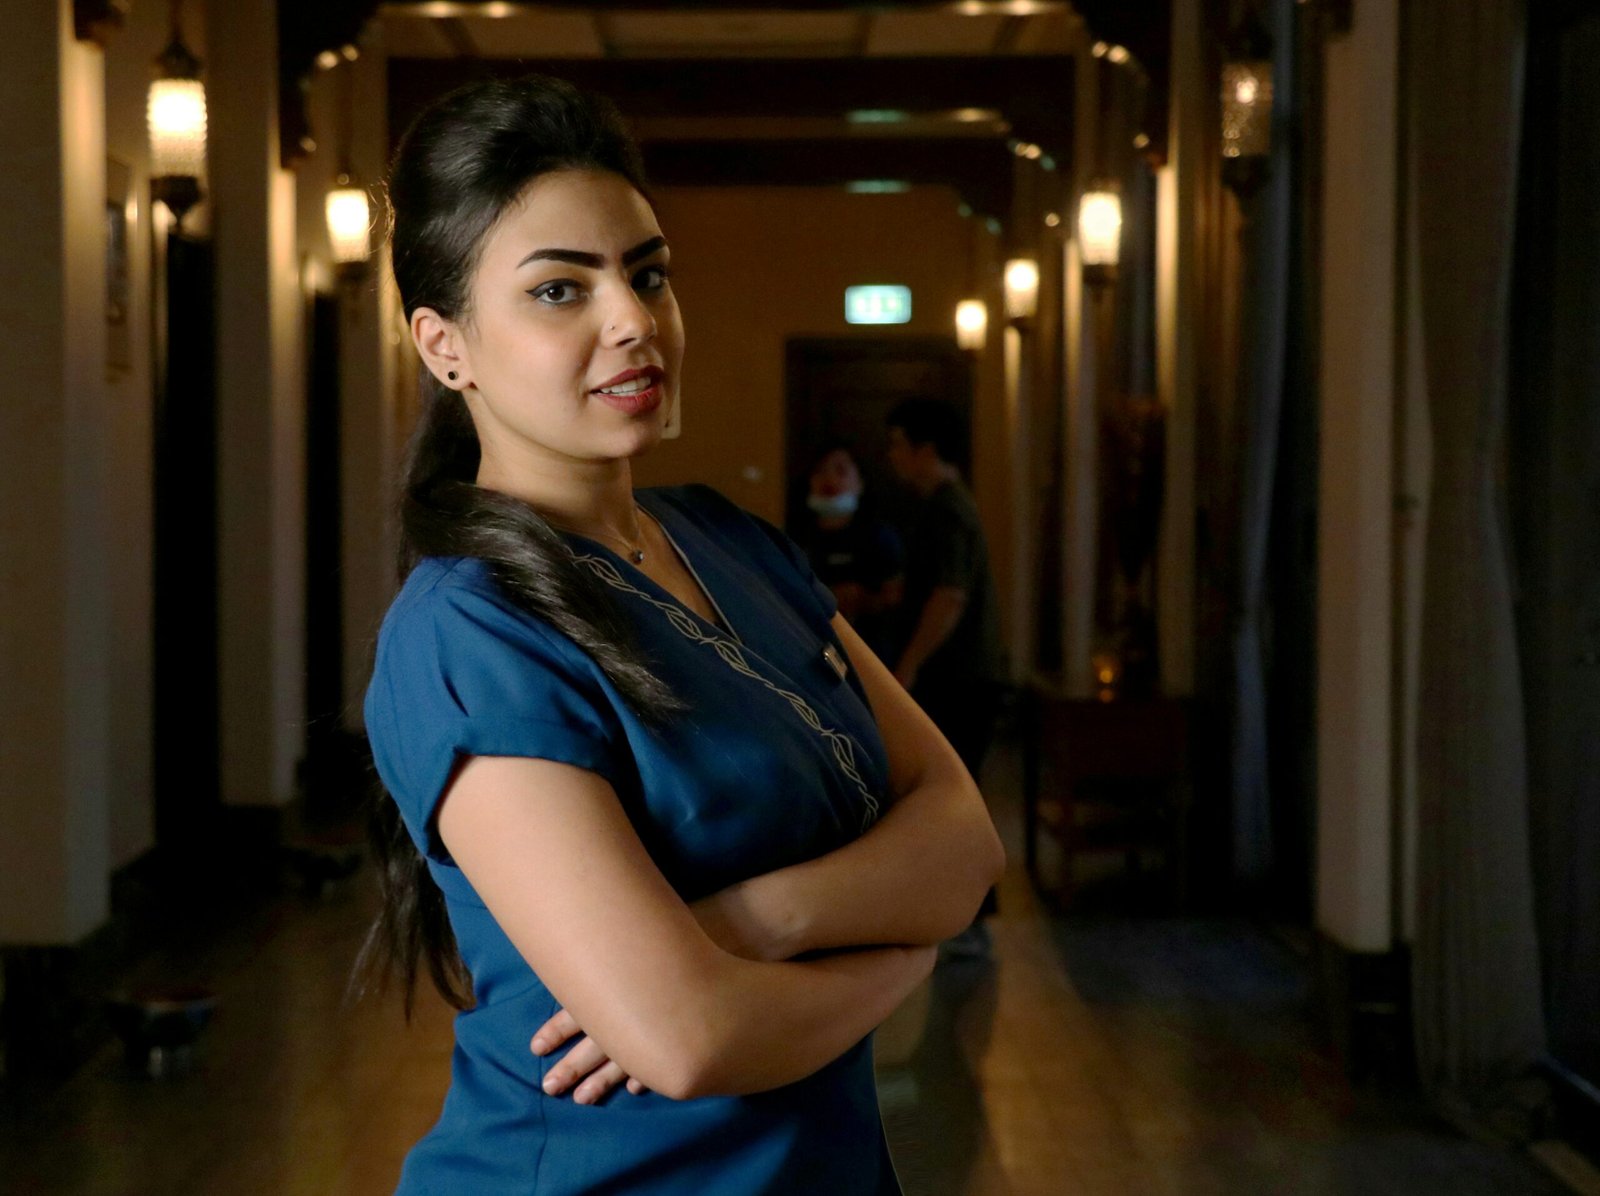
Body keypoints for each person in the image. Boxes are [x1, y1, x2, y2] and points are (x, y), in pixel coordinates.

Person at [357, 74, 1004, 1195]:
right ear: (444, 344)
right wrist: (903, 952)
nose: (633, 321)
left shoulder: (731, 542)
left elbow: (963, 838)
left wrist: (756, 921)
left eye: (646, 273)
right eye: (559, 289)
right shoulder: (467, 631)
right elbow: (690, 1039)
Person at [884, 399, 1004, 958]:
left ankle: (969, 922)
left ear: (925, 450)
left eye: (899, 446)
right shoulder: (940, 506)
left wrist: (909, 664)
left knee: (956, 798)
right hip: (959, 675)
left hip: (959, 677)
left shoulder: (948, 509)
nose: (894, 458)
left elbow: (950, 596)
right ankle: (966, 918)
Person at [794, 441, 905, 662]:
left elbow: (896, 596)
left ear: (860, 481)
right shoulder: (797, 538)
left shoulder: (880, 536)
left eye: (840, 470)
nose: (830, 478)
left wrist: (860, 598)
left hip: (870, 654)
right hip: (810, 652)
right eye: (820, 470)